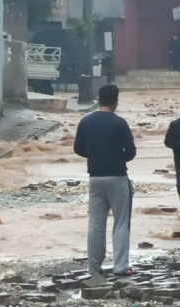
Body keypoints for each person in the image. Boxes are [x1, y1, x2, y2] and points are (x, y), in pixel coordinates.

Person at [74, 84, 137, 280]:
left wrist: (95, 156)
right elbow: (131, 152)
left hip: (95, 178)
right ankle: (120, 266)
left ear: (98, 99)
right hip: (118, 177)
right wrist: (117, 159)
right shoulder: (120, 123)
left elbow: (78, 148)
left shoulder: (86, 121)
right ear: (115, 101)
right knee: (121, 223)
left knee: (95, 224)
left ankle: (93, 268)